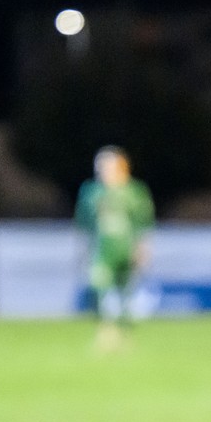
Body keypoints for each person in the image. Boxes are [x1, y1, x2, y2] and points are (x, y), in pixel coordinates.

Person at [74, 145, 155, 340]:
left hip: (125, 248)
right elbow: (83, 223)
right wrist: (83, 249)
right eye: (101, 167)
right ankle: (105, 330)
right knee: (98, 285)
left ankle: (125, 334)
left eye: (108, 166)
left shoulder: (134, 191)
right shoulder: (91, 192)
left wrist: (143, 248)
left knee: (126, 291)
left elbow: (143, 223)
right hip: (102, 249)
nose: (103, 171)